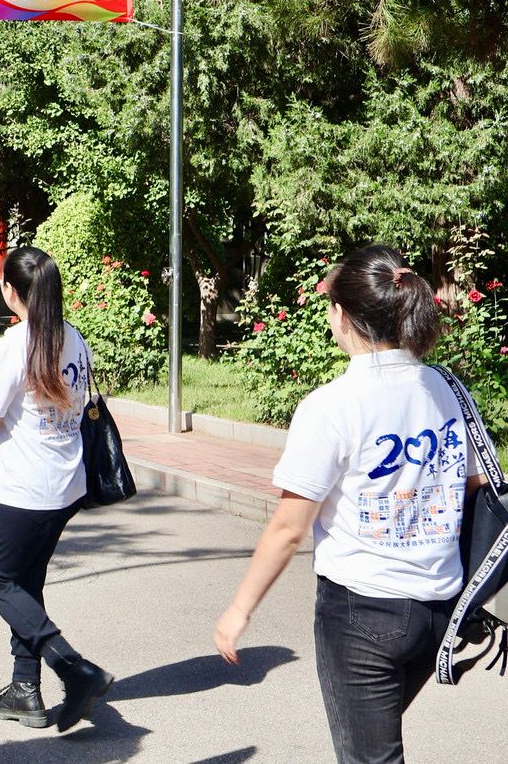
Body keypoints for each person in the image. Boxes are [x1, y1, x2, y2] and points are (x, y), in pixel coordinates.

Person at [214, 246, 487, 764]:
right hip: (440, 607)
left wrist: (238, 610)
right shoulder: (449, 388)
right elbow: (476, 482)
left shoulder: (332, 406)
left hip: (363, 613)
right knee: (372, 746)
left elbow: (288, 529)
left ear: (342, 315)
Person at [0, 245, 113, 733]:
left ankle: (73, 668)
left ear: (9, 290)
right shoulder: (74, 339)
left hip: (19, 491)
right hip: (64, 488)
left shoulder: (13, 346)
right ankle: (24, 687)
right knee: (26, 583)